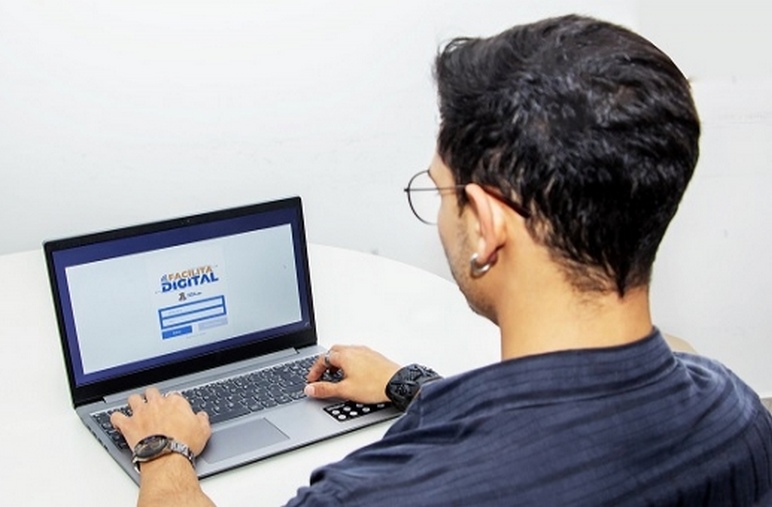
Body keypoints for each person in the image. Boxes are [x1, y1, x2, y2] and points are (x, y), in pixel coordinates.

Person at [110, 14, 772, 506]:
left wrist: (163, 451)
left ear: (485, 225)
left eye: (441, 190)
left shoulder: (382, 493)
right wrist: (411, 385)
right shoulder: (740, 417)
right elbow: (568, 424)